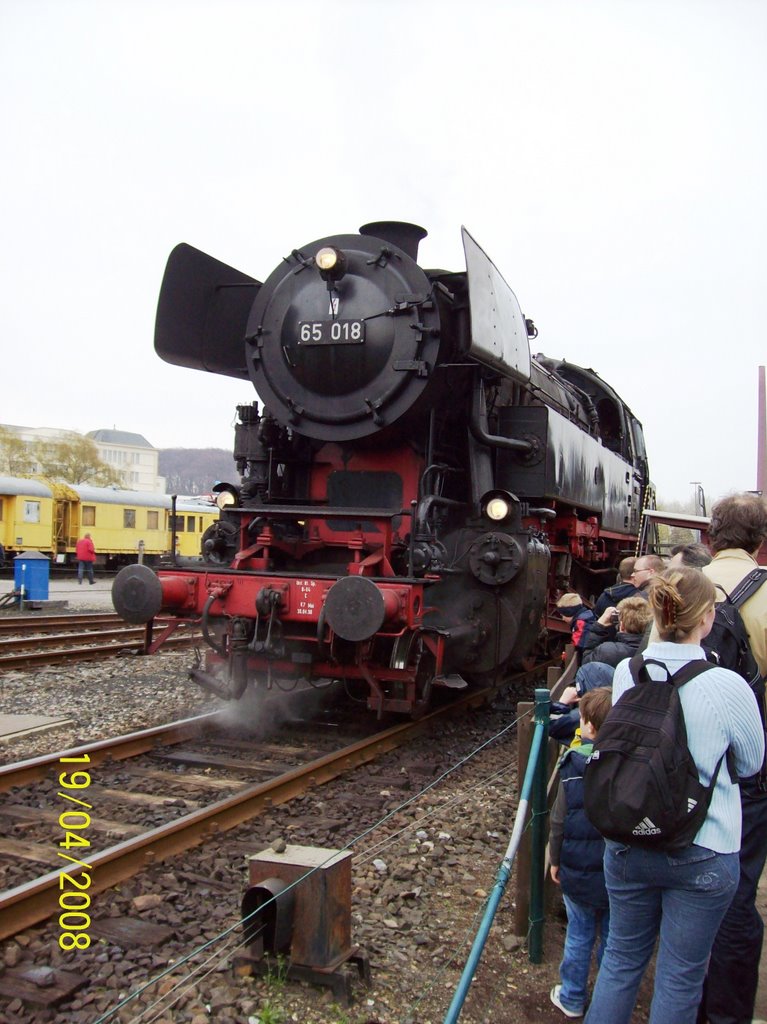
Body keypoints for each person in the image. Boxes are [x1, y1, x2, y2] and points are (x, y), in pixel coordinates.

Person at [584, 568, 764, 1024]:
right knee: (681, 977)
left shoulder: (628, 672)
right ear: (707, 619)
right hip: (702, 848)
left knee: (621, 962)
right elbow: (751, 764)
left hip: (629, 839)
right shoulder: (728, 685)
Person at [698, 493, 767, 1024]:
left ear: (707, 537)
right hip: (752, 770)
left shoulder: (677, 592)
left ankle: (681, 996)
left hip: (684, 767)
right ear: (761, 543)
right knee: (739, 892)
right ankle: (724, 1012)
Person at [549, 687, 613, 1018]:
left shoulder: (572, 765)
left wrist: (555, 860)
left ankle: (572, 996)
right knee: (612, 941)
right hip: (616, 874)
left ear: (585, 725)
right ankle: (608, 997)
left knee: (579, 935)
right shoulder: (626, 767)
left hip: (576, 870)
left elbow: (559, 821)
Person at [580, 596, 653, 668]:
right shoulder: (654, 651)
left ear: (621, 626)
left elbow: (586, 665)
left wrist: (599, 626)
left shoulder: (607, 651)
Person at [555, 593, 595, 664]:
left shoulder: (580, 622)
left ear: (569, 613)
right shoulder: (586, 617)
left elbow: (578, 643)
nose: (562, 618)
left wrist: (568, 654)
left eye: (562, 615)